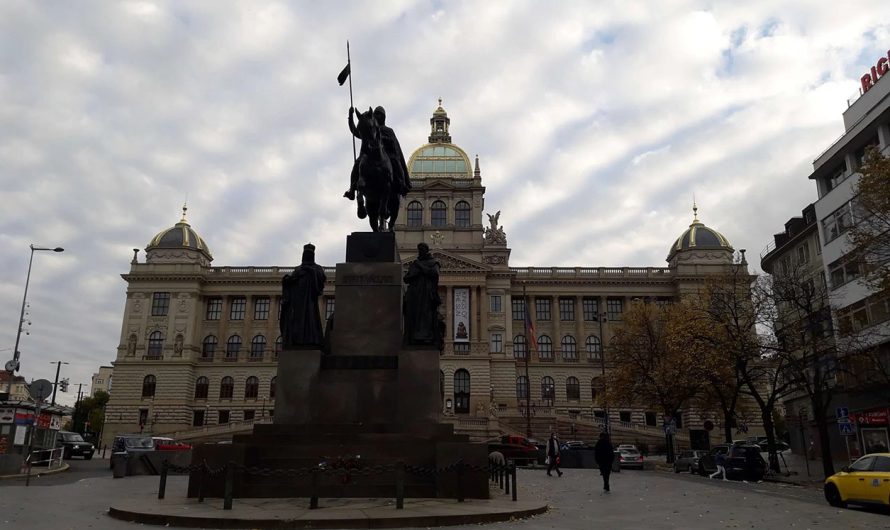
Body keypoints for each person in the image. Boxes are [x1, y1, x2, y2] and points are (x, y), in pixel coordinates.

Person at [345, 106, 411, 200]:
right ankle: (352, 190)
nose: (377, 116)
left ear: (383, 117)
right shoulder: (370, 129)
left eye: (379, 114)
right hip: (368, 155)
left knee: (396, 164)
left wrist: (383, 139)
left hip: (387, 155)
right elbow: (355, 131)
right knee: (357, 164)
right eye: (375, 114)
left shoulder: (388, 130)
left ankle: (402, 184)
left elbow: (394, 144)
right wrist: (350, 116)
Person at [280, 244, 327, 348]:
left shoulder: (317, 268)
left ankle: (311, 340)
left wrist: (311, 271)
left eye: (310, 254)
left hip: (309, 300)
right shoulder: (298, 269)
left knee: (310, 321)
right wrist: (288, 280)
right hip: (297, 301)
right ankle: (297, 340)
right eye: (306, 254)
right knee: (297, 321)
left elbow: (321, 282)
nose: (307, 256)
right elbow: (291, 282)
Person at [403, 243, 442, 345]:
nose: (420, 251)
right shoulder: (414, 264)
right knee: (413, 316)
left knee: (426, 315)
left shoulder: (433, 263)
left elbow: (434, 274)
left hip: (426, 294)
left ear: (426, 250)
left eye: (422, 249)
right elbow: (406, 278)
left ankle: (426, 336)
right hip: (415, 293)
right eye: (419, 249)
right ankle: (412, 337)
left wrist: (420, 267)